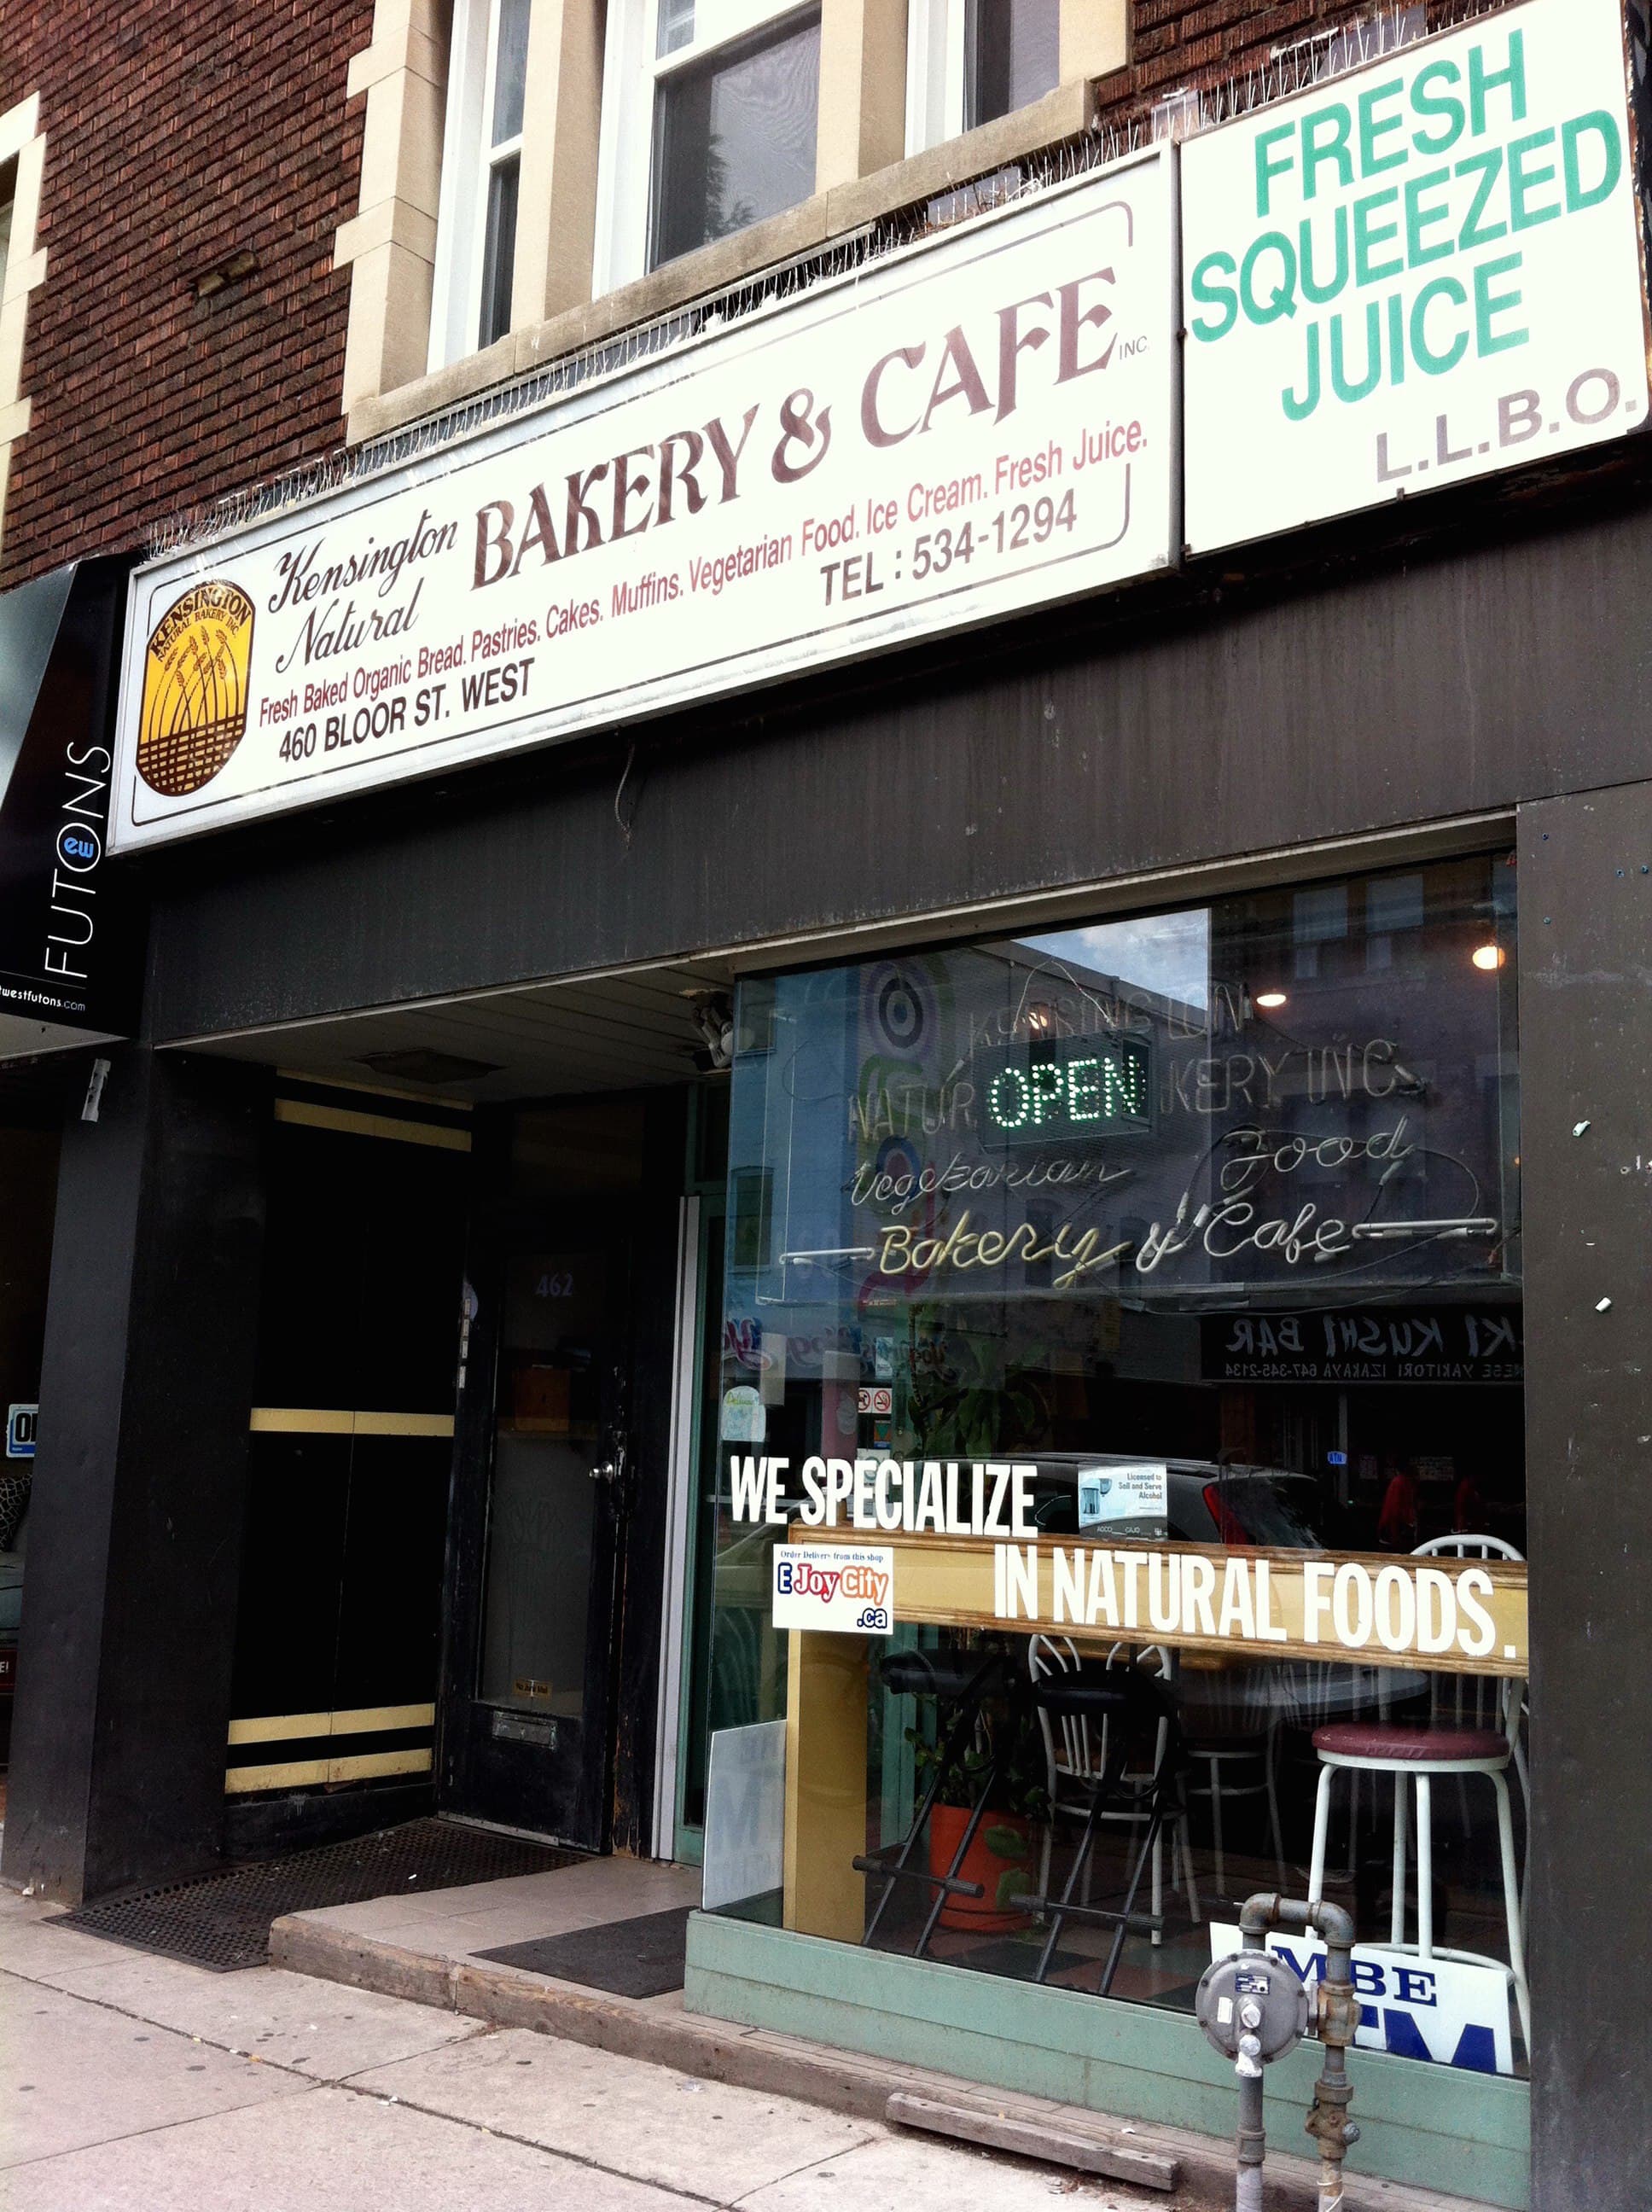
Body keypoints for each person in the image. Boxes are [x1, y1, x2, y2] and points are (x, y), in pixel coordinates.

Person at [1376, 1459, 1420, 1551]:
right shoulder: (1400, 1482)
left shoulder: (1404, 1482)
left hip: (1399, 1527)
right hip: (1396, 1528)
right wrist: (1394, 1534)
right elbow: (1394, 1510)